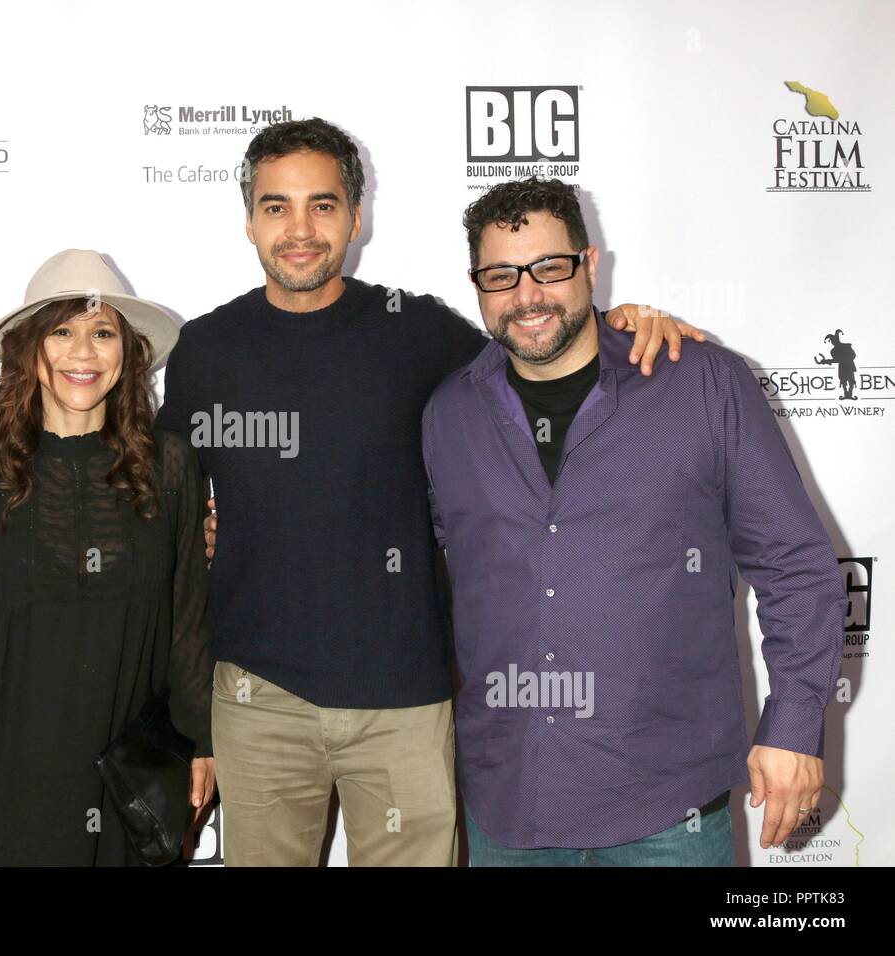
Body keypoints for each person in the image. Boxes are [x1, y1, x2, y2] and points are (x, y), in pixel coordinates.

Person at [156, 117, 698, 866]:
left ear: (356, 215)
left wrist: (621, 325)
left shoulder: (415, 330)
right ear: (249, 221)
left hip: (406, 699)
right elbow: (157, 494)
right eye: (277, 207)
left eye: (323, 204)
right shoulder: (206, 351)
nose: (300, 228)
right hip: (259, 699)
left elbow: (539, 350)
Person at [422, 176, 845, 865]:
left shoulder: (702, 383)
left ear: (591, 266)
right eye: (501, 276)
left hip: (665, 806)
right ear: (476, 284)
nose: (527, 296)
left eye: (549, 268)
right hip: (509, 807)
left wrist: (795, 727)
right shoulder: (449, 415)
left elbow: (795, 564)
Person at [0, 249, 215, 865]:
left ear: (127, 352)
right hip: (8, 760)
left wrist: (200, 739)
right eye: (62, 331)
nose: (83, 352)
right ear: (30, 349)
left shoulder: (169, 463)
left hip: (124, 765)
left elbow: (187, 621)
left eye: (102, 333)